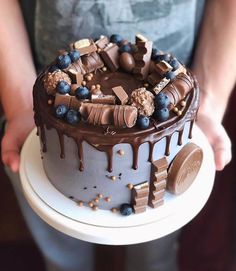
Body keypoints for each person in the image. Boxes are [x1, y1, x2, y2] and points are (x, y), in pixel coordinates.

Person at [0, 0, 235, 271]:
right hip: (37, 97)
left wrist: (210, 98)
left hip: (179, 98)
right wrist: (19, 103)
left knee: (154, 258)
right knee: (63, 257)